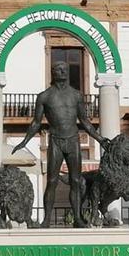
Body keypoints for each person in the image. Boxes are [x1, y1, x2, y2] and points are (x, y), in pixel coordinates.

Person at [13, 61, 105, 227]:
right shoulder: (45, 96)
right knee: (52, 181)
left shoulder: (76, 95)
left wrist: (99, 139)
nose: (61, 71)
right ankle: (46, 220)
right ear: (52, 73)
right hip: (55, 140)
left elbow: (85, 121)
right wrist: (24, 141)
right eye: (57, 69)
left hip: (73, 140)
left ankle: (77, 218)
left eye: (64, 69)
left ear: (68, 72)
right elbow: (36, 122)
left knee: (76, 181)